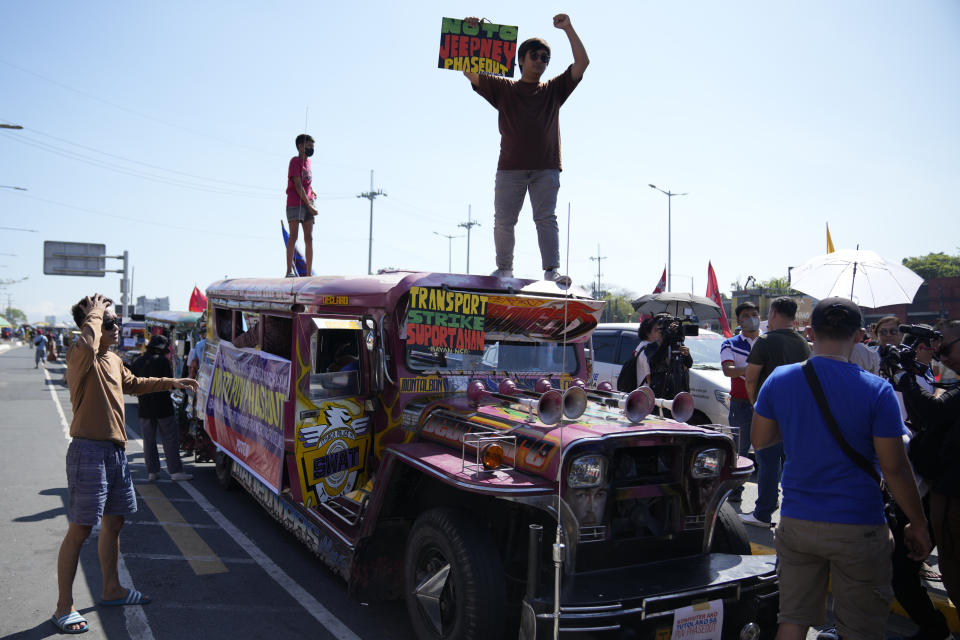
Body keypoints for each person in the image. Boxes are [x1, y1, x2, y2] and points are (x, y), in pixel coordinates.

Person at [751, 297, 931, 640]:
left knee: (792, 619)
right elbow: (894, 467)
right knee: (860, 628)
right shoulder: (877, 390)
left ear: (809, 332)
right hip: (859, 525)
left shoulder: (780, 379)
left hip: (797, 521)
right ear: (861, 335)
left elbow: (761, 441)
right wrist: (918, 522)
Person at [52, 294, 198, 634]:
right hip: (88, 451)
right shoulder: (80, 355)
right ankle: (63, 605)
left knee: (114, 523)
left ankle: (111, 589)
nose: (116, 327)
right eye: (109, 322)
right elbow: (88, 345)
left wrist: (172, 382)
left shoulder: (114, 360)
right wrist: (95, 312)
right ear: (93, 324)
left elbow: (134, 384)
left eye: (115, 320)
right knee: (80, 530)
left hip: (115, 454)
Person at [464, 14, 588, 281]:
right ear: (521, 60)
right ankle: (505, 269)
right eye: (535, 55)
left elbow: (582, 63)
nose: (541, 61)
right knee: (504, 221)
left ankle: (551, 271)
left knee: (545, 218)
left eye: (546, 58)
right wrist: (473, 32)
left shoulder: (554, 89)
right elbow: (469, 71)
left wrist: (568, 28)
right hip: (510, 168)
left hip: (546, 168)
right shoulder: (504, 88)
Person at [897, 320, 960, 621]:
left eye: (945, 349)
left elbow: (934, 412)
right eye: (936, 351)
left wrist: (904, 376)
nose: (941, 357)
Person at [742, 297, 811, 527]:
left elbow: (751, 378)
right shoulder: (802, 342)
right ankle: (794, 512)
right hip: (798, 412)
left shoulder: (765, 340)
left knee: (768, 461)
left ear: (772, 313)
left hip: (769, 412)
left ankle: (763, 512)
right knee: (792, 462)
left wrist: (755, 405)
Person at [131, 335, 193, 482]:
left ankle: (152, 472)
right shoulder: (163, 361)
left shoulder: (138, 361)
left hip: (144, 407)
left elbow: (132, 383)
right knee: (170, 439)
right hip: (163, 407)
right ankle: (175, 472)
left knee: (149, 440)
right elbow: (170, 383)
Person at [720, 302, 761, 503]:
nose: (752, 318)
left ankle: (770, 495)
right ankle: (735, 491)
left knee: (766, 452)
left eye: (755, 314)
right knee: (740, 450)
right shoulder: (730, 344)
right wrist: (754, 369)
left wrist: (745, 369)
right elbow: (728, 370)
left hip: (765, 404)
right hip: (741, 404)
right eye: (746, 315)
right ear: (740, 320)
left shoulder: (768, 342)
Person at [285, 133, 317, 278]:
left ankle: (308, 273)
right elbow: (298, 185)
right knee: (293, 236)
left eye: (312, 146)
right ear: (300, 146)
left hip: (308, 202)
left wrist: (313, 194)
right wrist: (309, 206)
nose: (311, 148)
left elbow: (307, 183)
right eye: (308, 145)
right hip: (295, 202)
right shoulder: (295, 161)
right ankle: (289, 270)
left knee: (309, 238)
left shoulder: (308, 163)